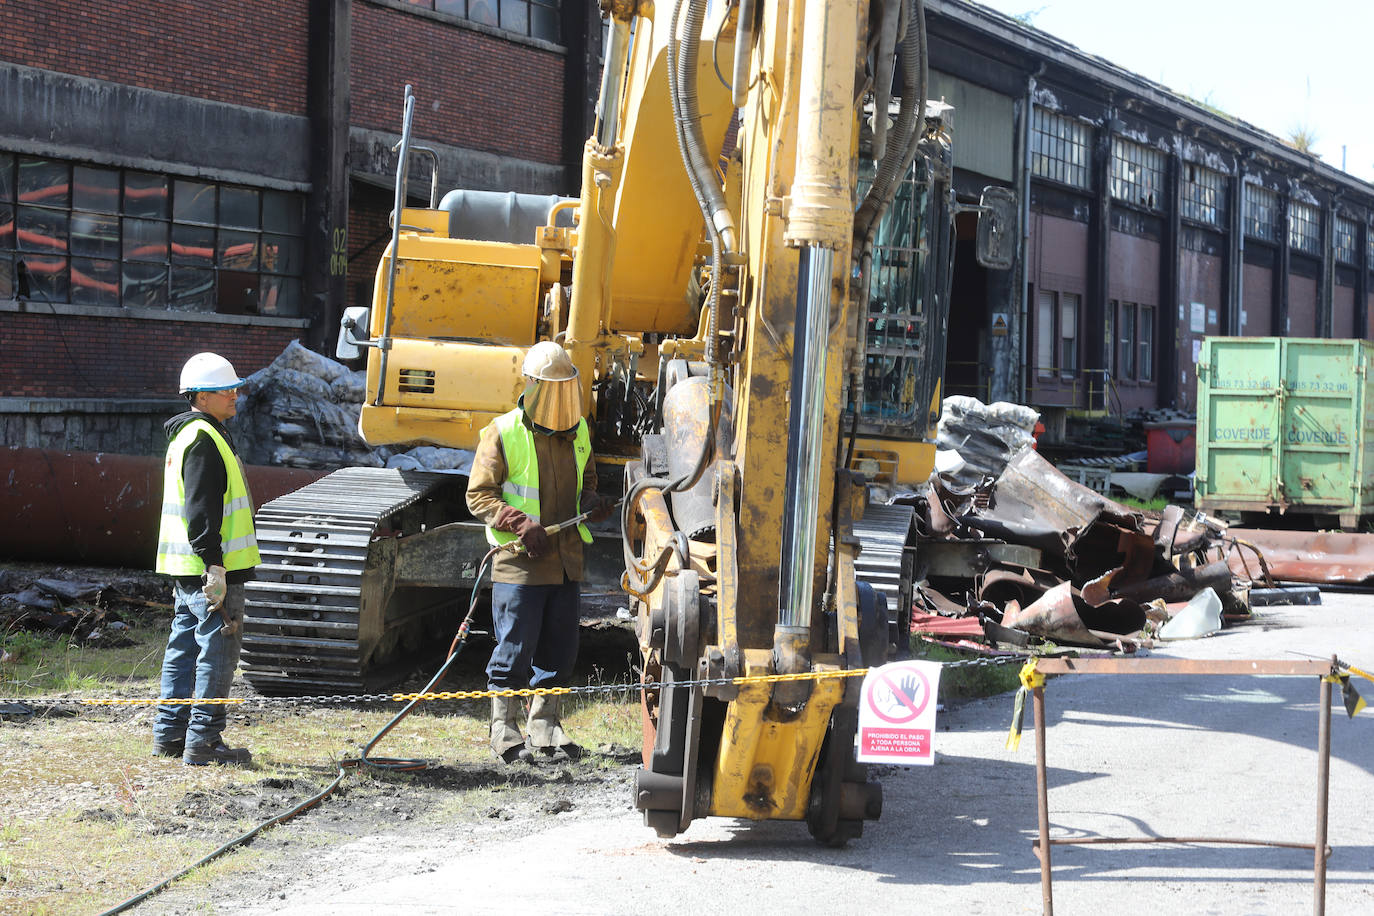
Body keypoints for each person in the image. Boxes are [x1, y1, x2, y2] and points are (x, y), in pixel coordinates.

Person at [466, 341, 612, 764]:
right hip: (520, 565)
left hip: (565, 564)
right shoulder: (503, 432)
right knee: (514, 649)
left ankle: (545, 725)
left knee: (559, 650)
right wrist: (519, 522)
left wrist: (591, 504)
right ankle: (503, 730)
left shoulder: (579, 430)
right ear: (530, 385)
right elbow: (479, 495)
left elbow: (587, 484)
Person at [152, 352, 261, 766]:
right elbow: (201, 510)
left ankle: (169, 735)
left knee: (183, 648)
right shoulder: (203, 438)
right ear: (200, 396)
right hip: (210, 570)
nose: (235, 394)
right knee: (218, 650)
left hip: (187, 568)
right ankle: (204, 741)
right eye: (225, 389)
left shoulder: (191, 434)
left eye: (235, 387)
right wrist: (215, 565)